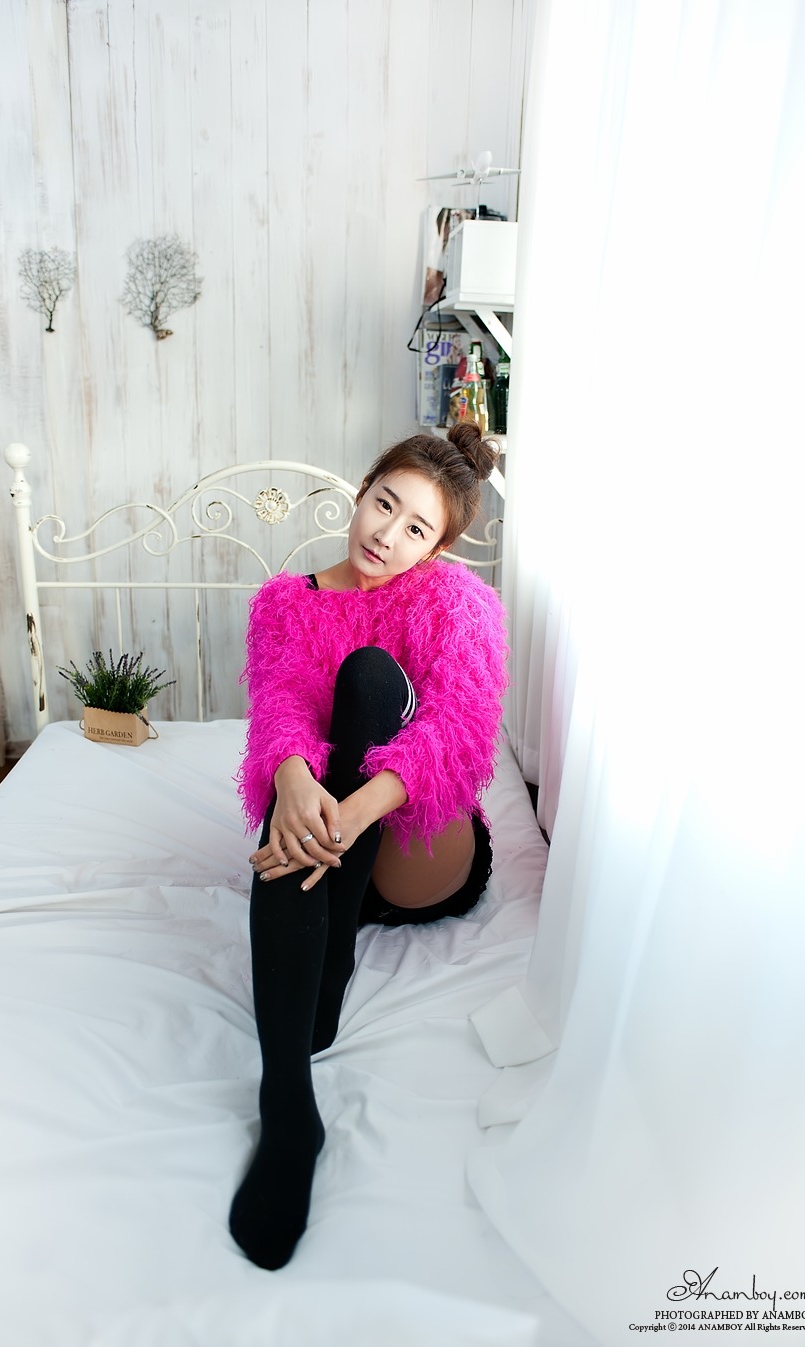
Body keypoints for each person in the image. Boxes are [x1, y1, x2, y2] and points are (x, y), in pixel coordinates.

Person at [229, 420, 509, 1270]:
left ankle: (335, 948)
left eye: (416, 527)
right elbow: (279, 705)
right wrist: (290, 776)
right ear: (360, 491)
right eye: (384, 504)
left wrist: (348, 815)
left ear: (439, 547)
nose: (388, 535)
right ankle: (291, 1106)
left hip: (421, 848)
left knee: (371, 679)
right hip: (336, 834)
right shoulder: (285, 602)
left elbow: (459, 732)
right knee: (298, 792)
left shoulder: (456, 601)